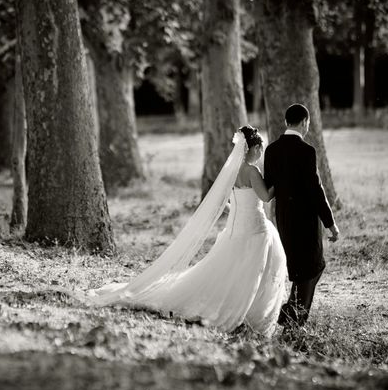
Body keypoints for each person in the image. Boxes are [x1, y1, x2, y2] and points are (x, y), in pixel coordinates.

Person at [88, 126, 287, 336]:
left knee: (231, 270)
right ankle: (249, 313)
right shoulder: (252, 171)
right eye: (260, 149)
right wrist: (280, 181)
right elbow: (265, 197)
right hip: (254, 230)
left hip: (235, 230)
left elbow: (229, 201)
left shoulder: (232, 170)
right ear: (253, 148)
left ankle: (240, 308)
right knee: (252, 272)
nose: (261, 153)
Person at [264, 103, 340, 327]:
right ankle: (290, 318)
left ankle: (291, 316)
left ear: (286, 122)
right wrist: (331, 224)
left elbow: (269, 188)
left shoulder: (271, 150)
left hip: (285, 218)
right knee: (313, 268)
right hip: (306, 221)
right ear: (305, 122)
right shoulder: (307, 151)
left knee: (300, 270)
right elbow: (316, 190)